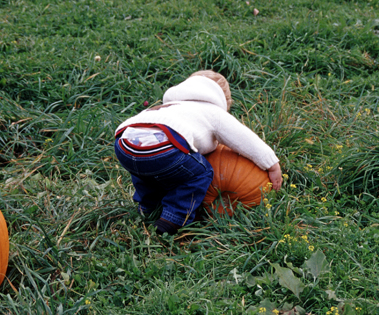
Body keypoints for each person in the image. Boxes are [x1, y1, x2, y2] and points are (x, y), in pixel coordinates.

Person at [114, 70, 282, 235]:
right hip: (164, 145)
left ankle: (147, 207)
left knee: (145, 172)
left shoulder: (167, 107)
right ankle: (173, 218)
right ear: (222, 100)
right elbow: (244, 139)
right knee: (201, 173)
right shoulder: (212, 111)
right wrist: (272, 165)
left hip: (125, 142)